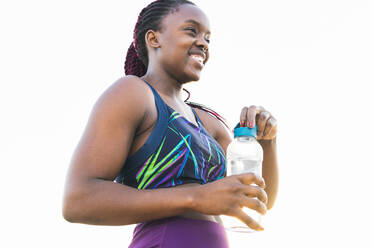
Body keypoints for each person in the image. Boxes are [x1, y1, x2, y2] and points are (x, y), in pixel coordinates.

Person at [62, 0, 279, 247]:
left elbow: (258, 199)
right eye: (191, 30)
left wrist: (267, 142)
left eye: (208, 38)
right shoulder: (133, 93)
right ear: (154, 39)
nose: (203, 43)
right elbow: (78, 200)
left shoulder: (208, 123)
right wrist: (196, 197)